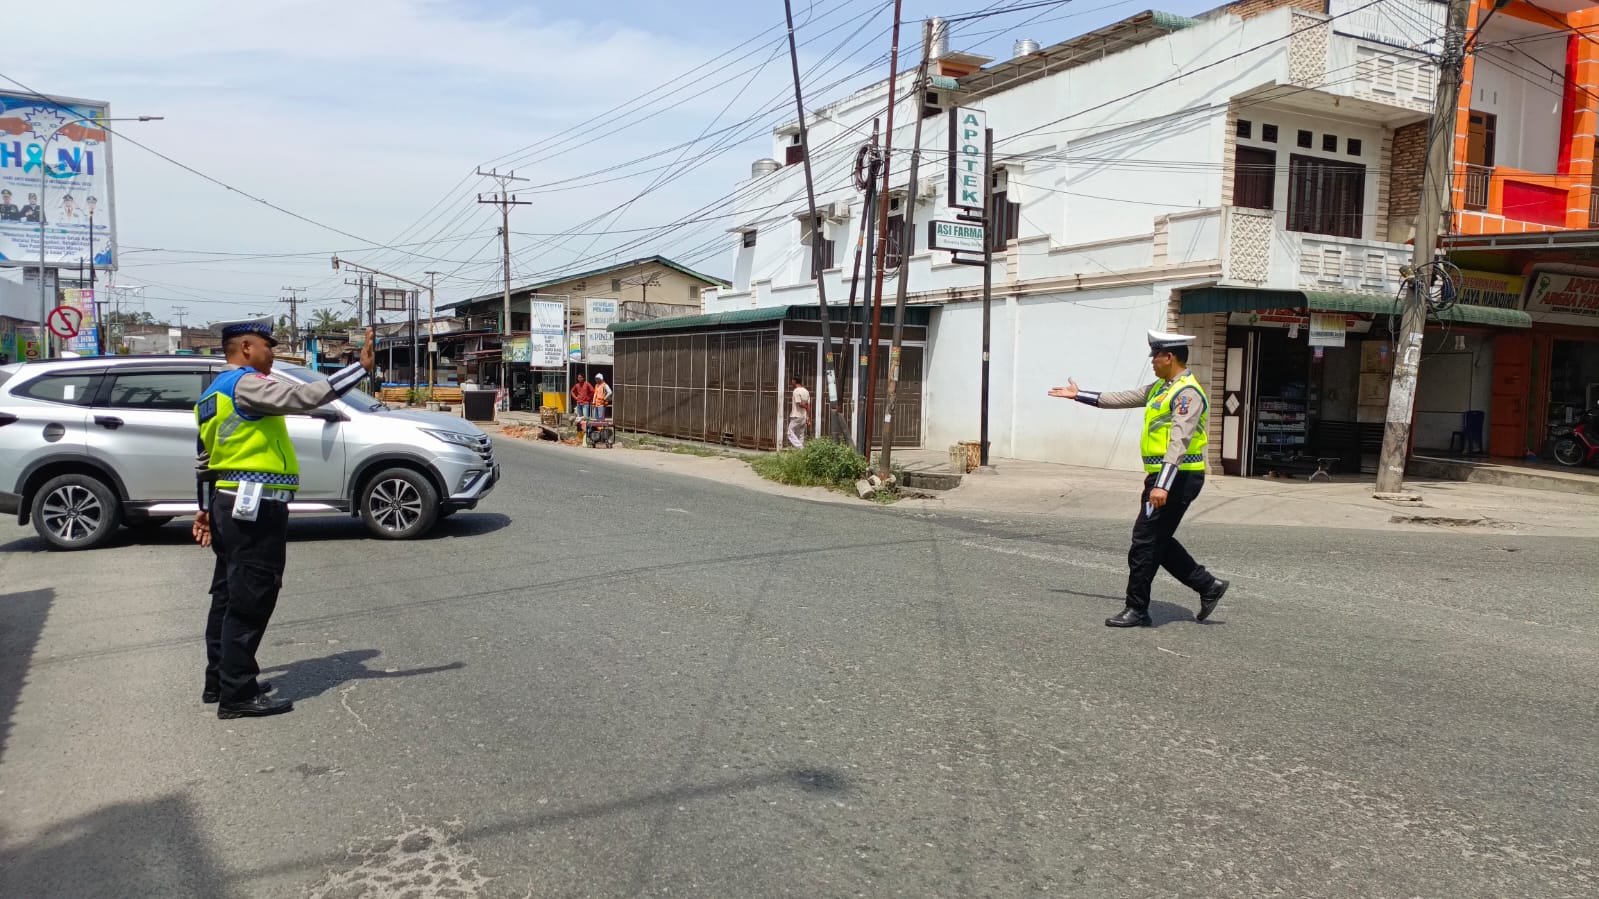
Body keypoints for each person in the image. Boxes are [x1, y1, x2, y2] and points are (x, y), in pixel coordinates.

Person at [192, 317, 374, 718]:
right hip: (254, 508)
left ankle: (220, 679)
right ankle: (237, 695)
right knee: (252, 596)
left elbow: (204, 463)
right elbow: (304, 397)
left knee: (227, 594)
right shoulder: (246, 383)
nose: (271, 353)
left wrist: (204, 510)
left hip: (228, 504)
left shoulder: (211, 396)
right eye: (266, 346)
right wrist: (359, 369)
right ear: (244, 348)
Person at [1049, 330, 1229, 628]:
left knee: (1144, 542)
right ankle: (1207, 585)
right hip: (1165, 477)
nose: (1153, 362)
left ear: (1169, 357)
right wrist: (1078, 395)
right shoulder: (1162, 387)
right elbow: (1121, 397)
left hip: (1177, 478)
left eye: (1155, 357)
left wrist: (1162, 484)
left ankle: (1137, 608)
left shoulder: (1187, 393)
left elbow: (1179, 442)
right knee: (1157, 540)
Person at [787, 376, 811, 448]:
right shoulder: (806, 391)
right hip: (803, 416)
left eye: (792, 381)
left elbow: (799, 404)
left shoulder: (796, 391)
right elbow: (809, 405)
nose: (791, 383)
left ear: (794, 381)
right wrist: (808, 416)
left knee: (790, 433)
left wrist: (805, 407)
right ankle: (800, 453)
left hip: (797, 415)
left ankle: (801, 448)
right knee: (800, 434)